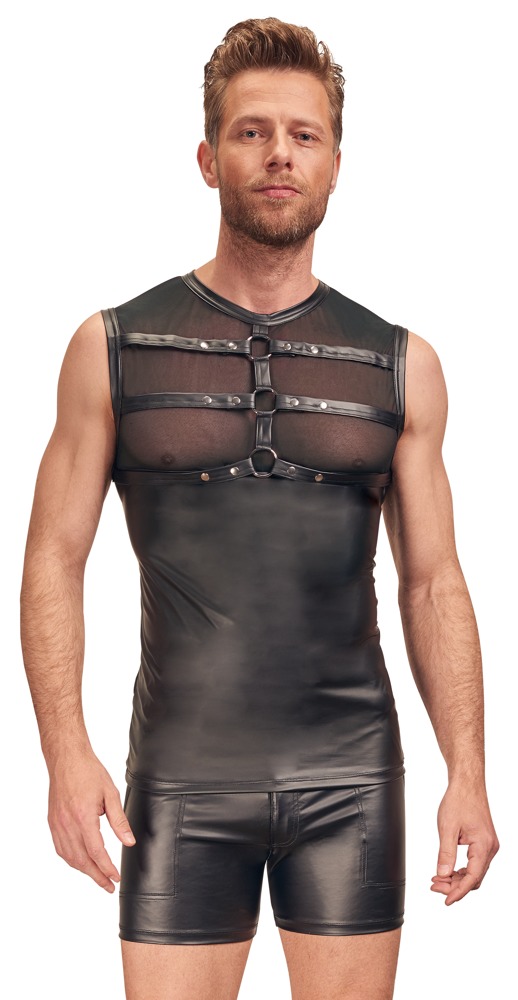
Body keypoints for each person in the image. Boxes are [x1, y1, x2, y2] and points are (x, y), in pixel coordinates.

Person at [20, 16, 499, 1000]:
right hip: (178, 785)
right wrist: (65, 755)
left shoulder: (401, 363)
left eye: (303, 134)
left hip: (352, 783)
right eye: (251, 131)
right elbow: (52, 558)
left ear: (334, 166)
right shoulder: (111, 347)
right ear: (208, 159)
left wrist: (468, 770)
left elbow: (432, 581)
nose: (279, 153)